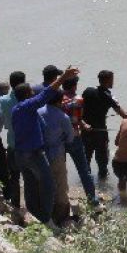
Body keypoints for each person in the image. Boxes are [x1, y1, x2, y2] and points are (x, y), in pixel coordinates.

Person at [11, 66, 78, 225]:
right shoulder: (27, 106)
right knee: (49, 186)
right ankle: (46, 219)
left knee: (31, 186)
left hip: (20, 153)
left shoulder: (17, 109)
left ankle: (34, 216)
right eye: (31, 92)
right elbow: (46, 94)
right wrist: (63, 77)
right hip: (33, 153)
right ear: (27, 95)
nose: (34, 93)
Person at [82, 70, 127, 180]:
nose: (113, 82)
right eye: (112, 79)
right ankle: (103, 184)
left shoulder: (88, 91)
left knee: (86, 159)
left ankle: (86, 182)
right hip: (100, 133)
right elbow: (123, 114)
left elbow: (80, 107)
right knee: (102, 162)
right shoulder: (108, 96)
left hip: (86, 130)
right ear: (108, 80)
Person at [59, 76, 100, 204]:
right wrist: (84, 125)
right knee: (84, 170)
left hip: (59, 139)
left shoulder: (57, 99)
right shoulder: (78, 100)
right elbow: (76, 118)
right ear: (73, 86)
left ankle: (62, 196)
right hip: (75, 137)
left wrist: (82, 123)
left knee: (61, 169)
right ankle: (92, 198)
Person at [38, 92, 74, 224]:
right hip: (56, 154)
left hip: (40, 154)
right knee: (61, 185)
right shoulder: (63, 117)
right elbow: (70, 138)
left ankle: (44, 213)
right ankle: (60, 217)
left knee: (44, 184)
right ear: (59, 102)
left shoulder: (37, 112)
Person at [0, 71, 26, 208]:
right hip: (28, 146)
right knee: (30, 178)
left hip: (12, 143)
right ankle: (32, 207)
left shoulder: (3, 101)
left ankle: (16, 205)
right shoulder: (28, 102)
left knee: (14, 177)